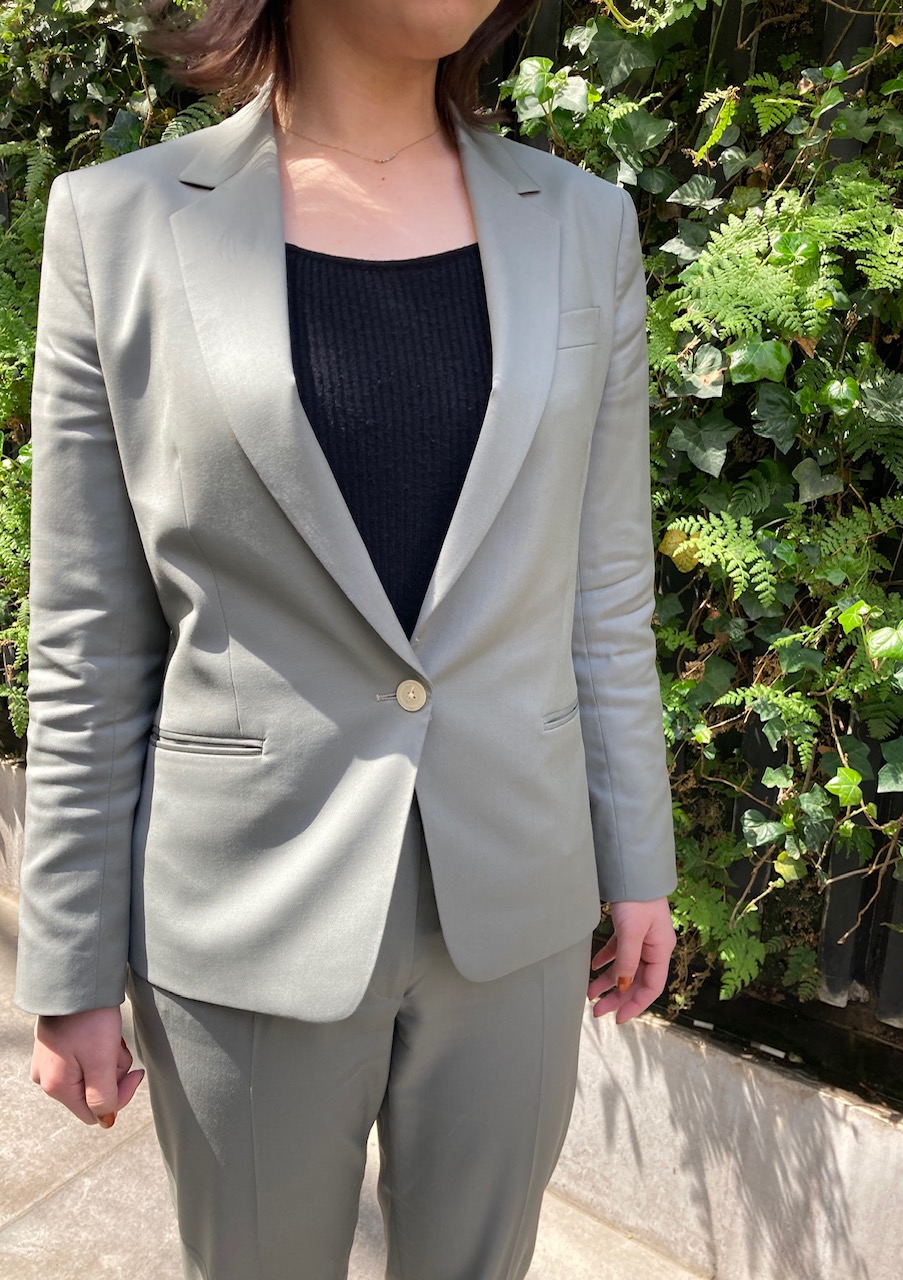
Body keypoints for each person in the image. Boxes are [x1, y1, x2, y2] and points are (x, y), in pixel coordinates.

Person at [15, 1, 678, 1277]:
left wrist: (636, 853)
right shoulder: (119, 223)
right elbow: (90, 637)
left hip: (518, 896)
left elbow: (602, 588)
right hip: (244, 911)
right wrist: (70, 955)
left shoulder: (583, 225)